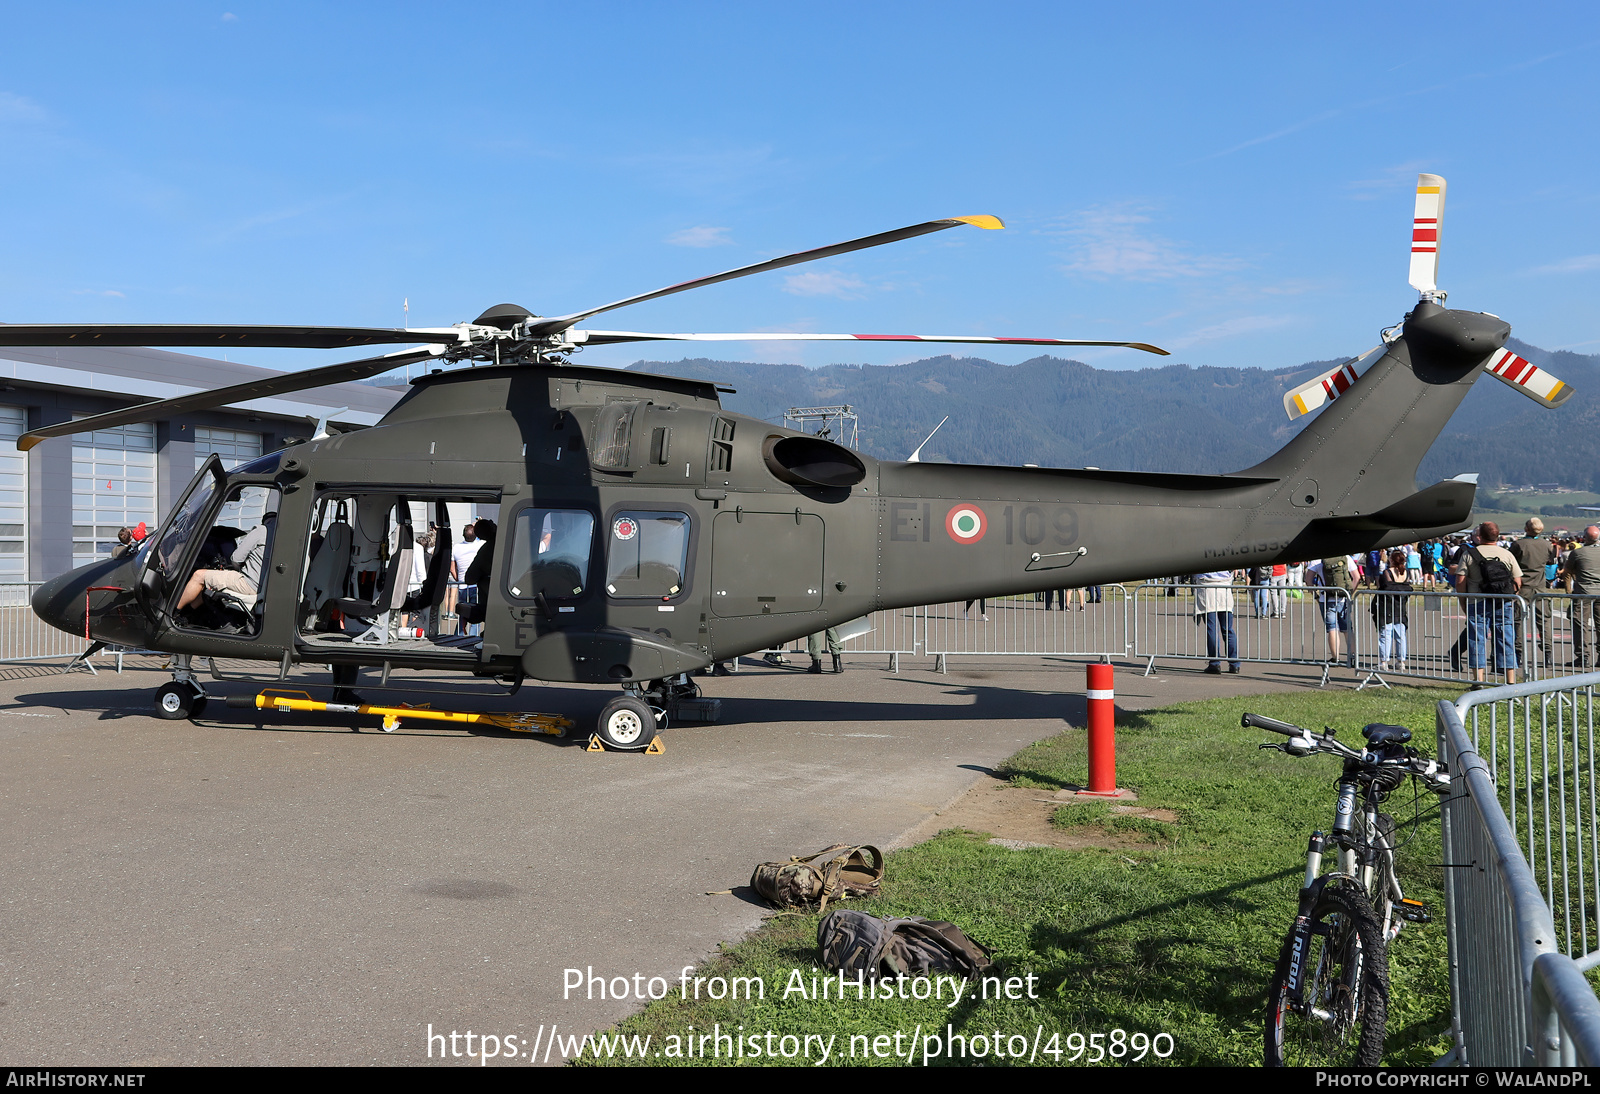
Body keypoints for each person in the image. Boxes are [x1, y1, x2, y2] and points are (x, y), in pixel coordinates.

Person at [1454, 520, 1519, 686]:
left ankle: (1478, 679)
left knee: (1477, 639)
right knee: (1506, 638)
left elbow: (1460, 580)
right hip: (1502, 601)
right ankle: (1510, 679)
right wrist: (1510, 596)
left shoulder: (1469, 554)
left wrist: (1463, 599)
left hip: (1477, 600)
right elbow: (1518, 581)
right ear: (1497, 535)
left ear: (1479, 536)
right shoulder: (1506, 554)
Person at [177, 512, 276, 615]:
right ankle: (188, 615)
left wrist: (236, 569)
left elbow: (236, 559)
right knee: (209, 584)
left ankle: (173, 614)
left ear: (265, 521)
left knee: (199, 576)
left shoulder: (262, 530)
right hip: (266, 587)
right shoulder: (280, 537)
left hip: (250, 584)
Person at [1510, 517, 1558, 671]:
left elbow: (1510, 562)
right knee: (1544, 621)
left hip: (1521, 586)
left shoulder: (1518, 544)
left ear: (1527, 529)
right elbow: (1550, 562)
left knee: (1518, 621)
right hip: (1540, 586)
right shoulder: (1546, 544)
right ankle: (1548, 653)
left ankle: (1518, 653)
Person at [1306, 554, 1355, 667]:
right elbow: (1356, 577)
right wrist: (1350, 594)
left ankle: (1335, 658)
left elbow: (1308, 580)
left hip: (1326, 598)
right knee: (1347, 629)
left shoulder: (1317, 560)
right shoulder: (1346, 558)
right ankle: (1352, 657)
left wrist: (1316, 596)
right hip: (1343, 598)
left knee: (1332, 629)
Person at [1564, 526, 1600, 670]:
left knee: (1580, 623)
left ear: (1584, 537)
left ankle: (1582, 656)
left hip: (1583, 591)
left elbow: (1568, 570)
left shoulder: (1577, 553)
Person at [1193, 569, 1240, 674]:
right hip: (1224, 586)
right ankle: (1234, 664)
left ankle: (1215, 663)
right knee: (1228, 629)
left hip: (1207, 587)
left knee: (1213, 629)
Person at [1372, 549, 1412, 671]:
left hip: (1387, 608)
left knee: (1386, 636)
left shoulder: (1387, 573)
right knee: (1400, 636)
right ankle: (1401, 661)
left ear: (1392, 560)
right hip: (1400, 607)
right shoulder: (1406, 573)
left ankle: (1384, 662)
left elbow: (1385, 586)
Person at [450, 521, 484, 634]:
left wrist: (458, 579)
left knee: (462, 613)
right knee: (475, 613)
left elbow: (452, 567)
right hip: (476, 585)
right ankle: (473, 636)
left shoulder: (456, 547)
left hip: (462, 585)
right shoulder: (481, 545)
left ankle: (458, 635)